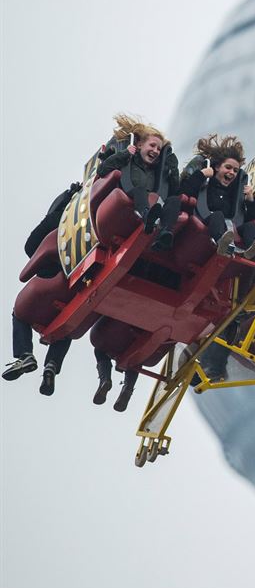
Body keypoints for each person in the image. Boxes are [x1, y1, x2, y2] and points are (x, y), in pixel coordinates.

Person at [3, 186, 80, 394]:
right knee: (68, 323)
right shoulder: (87, 224)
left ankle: (24, 354)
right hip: (78, 285)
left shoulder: (57, 222)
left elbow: (30, 247)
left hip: (48, 282)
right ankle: (52, 365)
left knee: (19, 314)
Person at [95, 115, 182, 252]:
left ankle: (164, 234)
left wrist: (173, 170)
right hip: (131, 196)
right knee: (140, 190)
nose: (155, 151)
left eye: (158, 149)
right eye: (152, 146)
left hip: (153, 202)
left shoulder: (158, 170)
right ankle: (147, 216)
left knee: (175, 201)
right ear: (140, 145)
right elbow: (102, 169)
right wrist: (124, 154)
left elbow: (175, 190)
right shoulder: (129, 160)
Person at [179, 135, 255, 259]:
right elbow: (185, 191)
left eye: (235, 171)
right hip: (206, 219)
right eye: (228, 167)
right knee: (218, 215)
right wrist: (201, 175)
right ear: (217, 167)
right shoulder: (207, 183)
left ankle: (251, 249)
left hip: (230, 226)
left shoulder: (234, 193)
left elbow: (252, 219)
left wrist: (251, 200)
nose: (232, 173)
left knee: (251, 227)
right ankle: (222, 242)